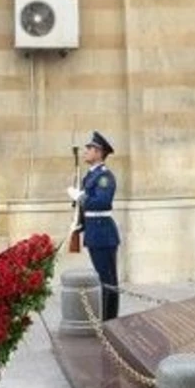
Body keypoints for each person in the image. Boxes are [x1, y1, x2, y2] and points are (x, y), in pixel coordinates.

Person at [68, 131, 121, 321]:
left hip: (103, 232)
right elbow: (86, 207)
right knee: (102, 279)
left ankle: (110, 321)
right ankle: (106, 320)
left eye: (90, 148)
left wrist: (81, 197)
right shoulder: (90, 176)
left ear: (99, 153)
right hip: (93, 230)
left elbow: (103, 201)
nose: (86, 151)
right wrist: (78, 223)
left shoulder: (104, 176)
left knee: (108, 280)